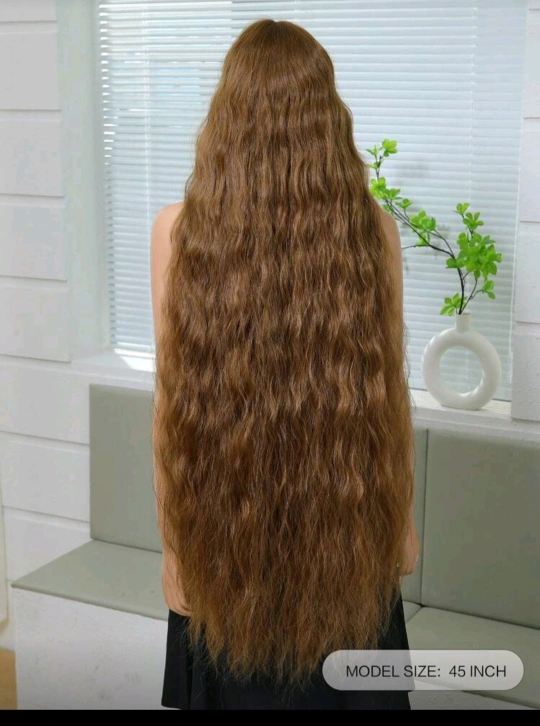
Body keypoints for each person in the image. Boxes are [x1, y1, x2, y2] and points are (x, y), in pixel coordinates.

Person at [150, 18, 419, 711]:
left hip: (321, 539)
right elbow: (391, 396)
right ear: (327, 119)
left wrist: (401, 523)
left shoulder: (180, 232)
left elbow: (167, 410)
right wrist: (176, 553)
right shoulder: (371, 230)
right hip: (258, 544)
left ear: (226, 117)